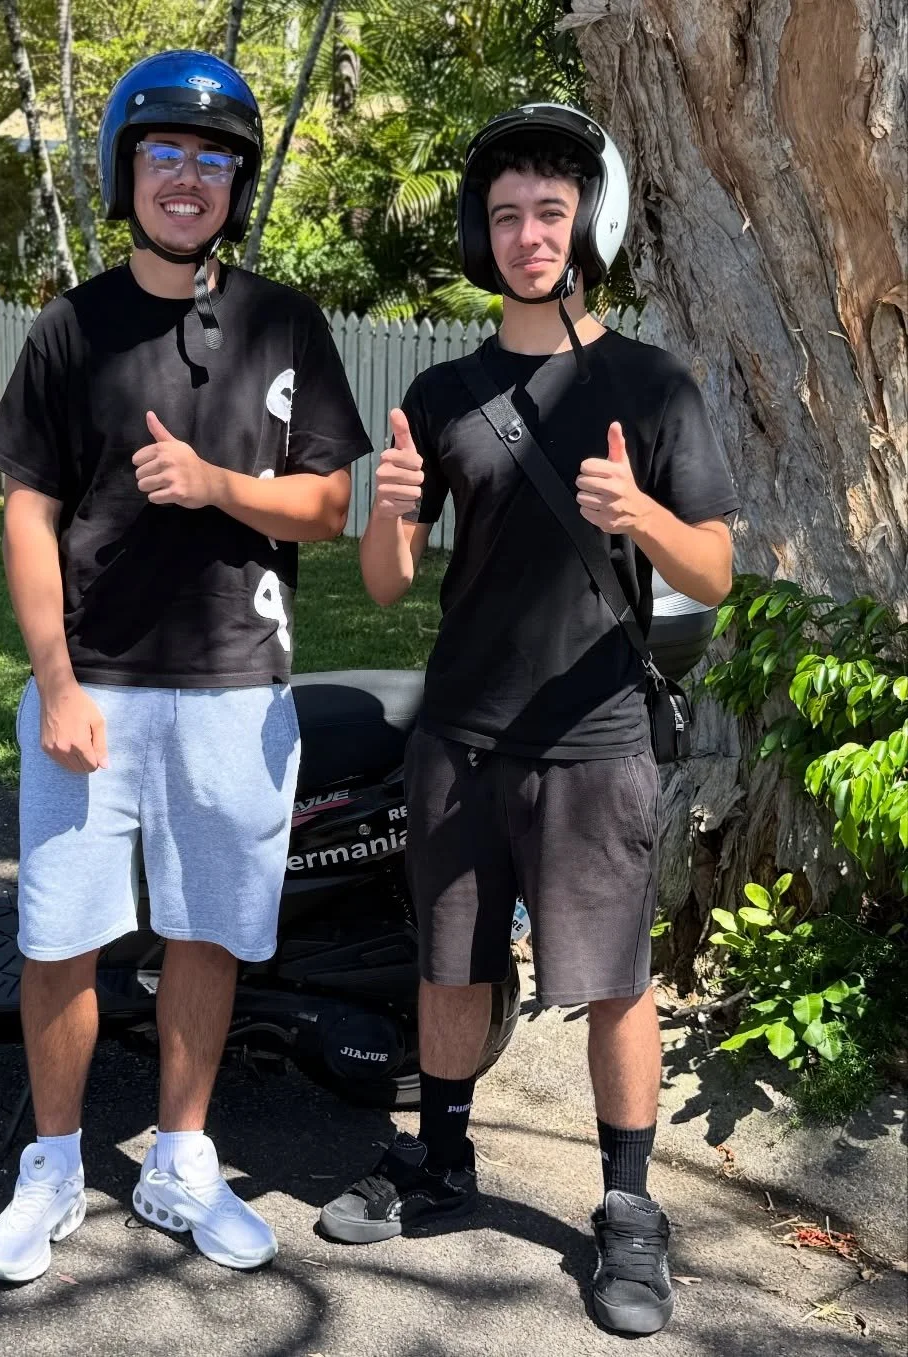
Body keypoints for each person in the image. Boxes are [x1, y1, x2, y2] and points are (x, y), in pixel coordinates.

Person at [318, 104, 740, 1337]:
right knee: (451, 960)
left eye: (550, 211)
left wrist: (640, 515)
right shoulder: (446, 392)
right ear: (480, 235)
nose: (527, 234)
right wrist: (389, 509)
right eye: (505, 215)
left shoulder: (651, 384)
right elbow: (389, 583)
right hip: (461, 733)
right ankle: (442, 1162)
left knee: (612, 981)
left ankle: (628, 1209)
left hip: (597, 737)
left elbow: (715, 570)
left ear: (586, 226)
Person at [0, 49, 372, 1284]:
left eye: (212, 158)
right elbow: (27, 514)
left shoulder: (283, 323)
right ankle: (51, 1165)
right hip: (92, 686)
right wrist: (53, 680)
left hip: (238, 687)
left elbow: (331, 505)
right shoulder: (69, 327)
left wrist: (216, 485)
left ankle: (181, 1160)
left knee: (207, 931)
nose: (187, 177)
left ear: (235, 184)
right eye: (164, 152)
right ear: (125, 170)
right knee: (59, 937)